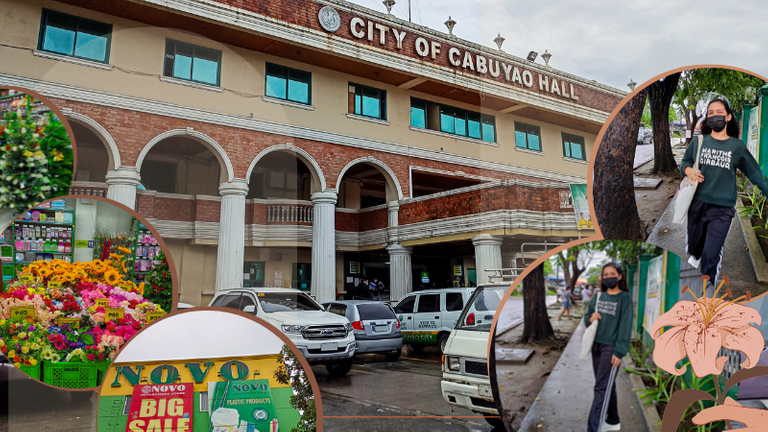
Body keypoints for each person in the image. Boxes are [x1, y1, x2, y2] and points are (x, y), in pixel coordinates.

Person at [681, 98, 768, 285]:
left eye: (719, 112)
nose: (715, 116)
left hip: (723, 208)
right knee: (695, 248)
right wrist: (689, 171)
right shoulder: (698, 142)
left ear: (728, 117)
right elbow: (684, 163)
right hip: (697, 204)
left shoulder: (736, 147)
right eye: (710, 113)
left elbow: (755, 174)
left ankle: (706, 293)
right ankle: (696, 254)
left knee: (711, 256)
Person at [583, 263, 634, 432]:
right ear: (602, 278)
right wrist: (590, 318)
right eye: (606, 274)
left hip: (611, 348)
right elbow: (586, 318)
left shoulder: (624, 298)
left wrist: (619, 351)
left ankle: (593, 428)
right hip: (595, 346)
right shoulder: (598, 297)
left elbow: (625, 326)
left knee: (601, 387)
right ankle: (613, 420)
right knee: (606, 384)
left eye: (612, 273)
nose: (609, 277)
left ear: (619, 276)